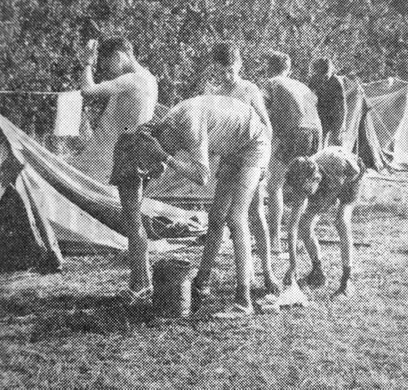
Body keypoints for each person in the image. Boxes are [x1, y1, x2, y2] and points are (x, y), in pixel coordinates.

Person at [143, 95, 277, 317]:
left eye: (171, 147)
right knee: (215, 219)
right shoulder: (170, 124)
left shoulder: (187, 125)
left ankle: (244, 301)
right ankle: (200, 285)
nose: (176, 150)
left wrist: (165, 157)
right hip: (234, 148)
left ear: (168, 134)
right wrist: (161, 158)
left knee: (236, 218)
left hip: (255, 144)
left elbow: (201, 176)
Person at [78, 37, 158, 302]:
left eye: (107, 62)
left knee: (132, 220)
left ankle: (139, 286)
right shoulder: (149, 78)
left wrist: (87, 62)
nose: (108, 70)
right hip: (142, 149)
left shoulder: (132, 80)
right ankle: (142, 281)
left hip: (131, 149)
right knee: (134, 218)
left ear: (121, 55)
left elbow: (87, 92)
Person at [204, 42, 278, 292]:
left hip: (253, 157)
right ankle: (202, 279)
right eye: (220, 71)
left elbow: (267, 126)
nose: (225, 75)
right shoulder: (216, 92)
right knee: (216, 217)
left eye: (229, 69)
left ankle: (267, 273)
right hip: (230, 159)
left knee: (254, 215)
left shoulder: (249, 89)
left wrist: (264, 164)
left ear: (239, 65)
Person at [261, 51, 323, 254]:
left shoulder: (271, 83)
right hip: (315, 133)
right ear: (288, 69)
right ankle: (293, 238)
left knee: (274, 186)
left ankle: (274, 241)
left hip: (294, 133)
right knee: (302, 186)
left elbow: (262, 112)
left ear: (269, 68)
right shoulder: (301, 85)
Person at [282, 146, 365, 296]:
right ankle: (317, 272)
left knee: (342, 221)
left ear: (315, 179)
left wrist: (337, 192)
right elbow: (293, 227)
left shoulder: (336, 164)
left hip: (351, 177)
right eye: (302, 191)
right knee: (305, 225)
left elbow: (356, 172)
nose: (304, 195)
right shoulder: (303, 179)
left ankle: (347, 279)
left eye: (306, 191)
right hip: (328, 184)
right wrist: (293, 265)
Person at [307, 58, 346, 146]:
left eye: (326, 77)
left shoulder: (336, 82)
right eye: (320, 76)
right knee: (318, 143)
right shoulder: (313, 80)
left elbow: (341, 107)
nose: (323, 80)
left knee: (335, 144)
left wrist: (338, 127)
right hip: (319, 115)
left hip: (334, 115)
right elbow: (309, 98)